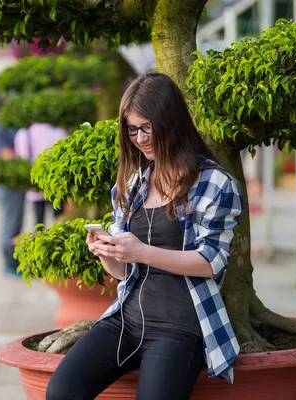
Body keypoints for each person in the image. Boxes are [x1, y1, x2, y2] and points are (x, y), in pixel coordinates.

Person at [46, 73, 244, 400]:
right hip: (127, 319)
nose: (139, 138)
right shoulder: (133, 182)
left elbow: (212, 262)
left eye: (147, 128)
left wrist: (141, 252)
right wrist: (109, 252)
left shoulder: (214, 183)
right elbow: (125, 272)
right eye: (131, 129)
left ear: (171, 122)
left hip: (180, 326)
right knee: (62, 390)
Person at [14, 122, 67, 227]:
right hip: (57, 185)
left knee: (38, 223)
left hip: (36, 185)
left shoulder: (25, 133)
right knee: (60, 222)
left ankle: (40, 242)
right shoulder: (59, 131)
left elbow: (23, 159)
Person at [0, 119, 25, 275]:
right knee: (10, 224)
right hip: (7, 183)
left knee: (15, 223)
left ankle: (15, 262)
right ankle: (10, 264)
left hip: (15, 183)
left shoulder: (11, 126)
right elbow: (7, 155)